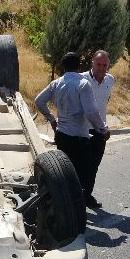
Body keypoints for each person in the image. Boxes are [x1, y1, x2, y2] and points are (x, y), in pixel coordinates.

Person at [35, 52, 110, 207]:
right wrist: (102, 129)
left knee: (64, 171)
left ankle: (65, 203)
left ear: (63, 66)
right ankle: (77, 205)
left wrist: (51, 119)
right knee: (85, 172)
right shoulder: (83, 84)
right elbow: (91, 112)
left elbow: (39, 101)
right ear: (79, 66)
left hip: (62, 134)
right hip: (79, 137)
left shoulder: (57, 83)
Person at [81, 50, 115, 208]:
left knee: (94, 165)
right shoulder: (82, 79)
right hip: (81, 129)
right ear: (92, 63)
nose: (101, 67)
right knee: (81, 165)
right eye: (98, 64)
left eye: (105, 65)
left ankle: (87, 195)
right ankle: (76, 198)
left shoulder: (110, 80)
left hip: (100, 129)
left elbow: (104, 103)